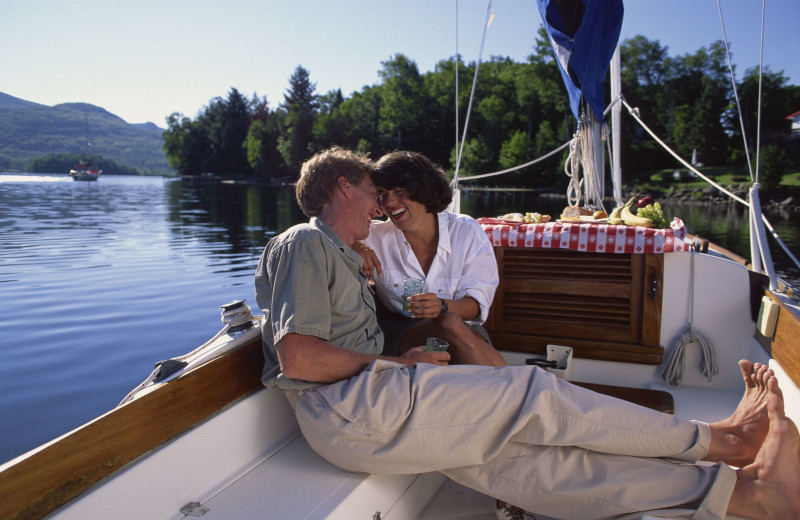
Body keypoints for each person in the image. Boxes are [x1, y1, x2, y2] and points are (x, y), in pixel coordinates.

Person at [254, 146, 800, 520]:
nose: (381, 205)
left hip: (361, 414)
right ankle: (721, 440)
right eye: (374, 190)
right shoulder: (305, 241)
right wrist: (400, 366)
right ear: (345, 185)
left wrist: (405, 342)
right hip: (351, 406)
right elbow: (298, 358)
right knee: (533, 392)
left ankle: (743, 499)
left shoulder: (347, 254)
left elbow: (357, 337)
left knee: (537, 468)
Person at [354, 150, 505, 367]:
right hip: (401, 332)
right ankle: (516, 387)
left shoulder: (465, 231)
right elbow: (323, 225)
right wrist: (355, 244)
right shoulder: (372, 236)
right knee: (448, 326)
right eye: (383, 194)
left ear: (423, 189)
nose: (389, 202)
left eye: (400, 191)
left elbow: (476, 305)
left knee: (449, 324)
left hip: (462, 331)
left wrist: (442, 306)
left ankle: (501, 385)